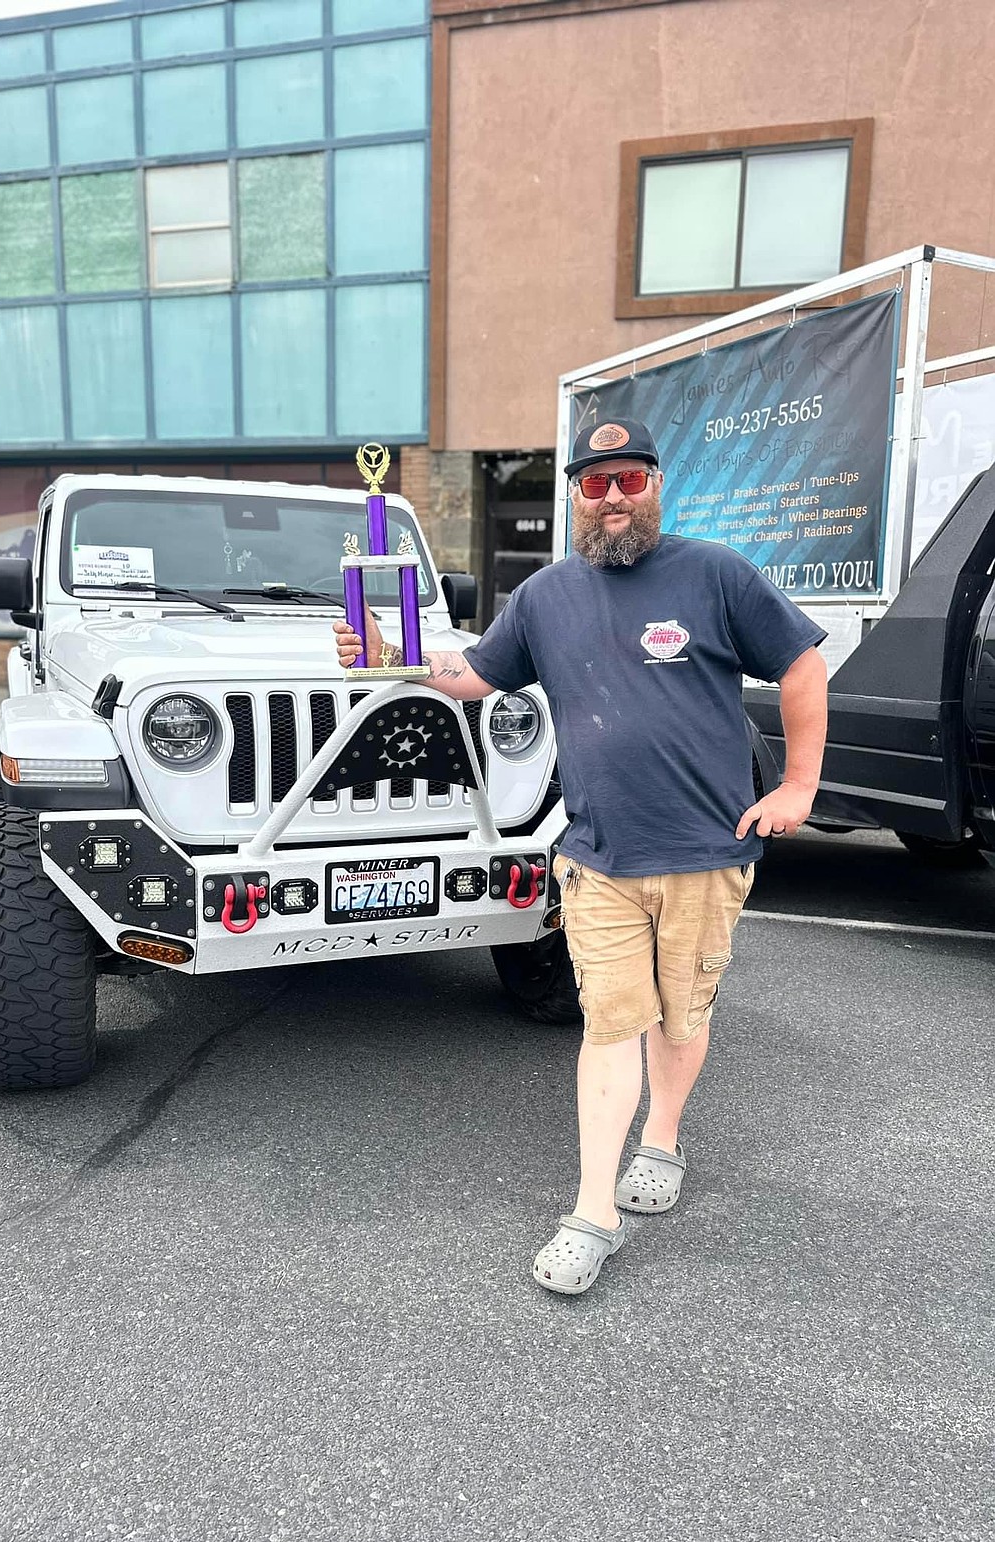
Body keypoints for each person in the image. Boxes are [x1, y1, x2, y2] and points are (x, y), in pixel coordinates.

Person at [332, 415, 828, 1297]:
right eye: (594, 485)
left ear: (655, 487)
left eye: (629, 481)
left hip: (709, 853)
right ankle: (593, 1213)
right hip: (596, 857)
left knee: (683, 1017)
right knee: (609, 1026)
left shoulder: (714, 574)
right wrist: (394, 655)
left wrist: (796, 788)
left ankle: (663, 1140)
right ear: (574, 496)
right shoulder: (544, 596)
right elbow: (478, 675)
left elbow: (801, 666)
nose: (611, 499)